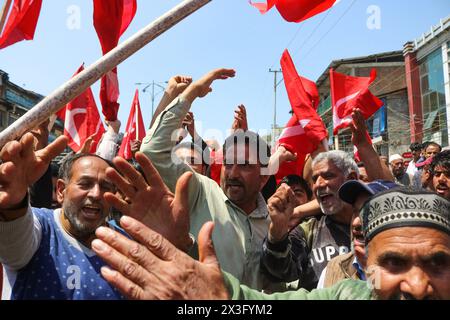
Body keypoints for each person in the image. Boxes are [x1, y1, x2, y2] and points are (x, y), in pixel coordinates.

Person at [92, 180, 450, 300]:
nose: (417, 286)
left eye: (438, 263)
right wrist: (221, 295)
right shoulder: (350, 293)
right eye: (394, 263)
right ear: (365, 262)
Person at [140, 68, 287, 291]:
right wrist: (190, 94)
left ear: (264, 177)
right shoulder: (200, 191)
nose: (233, 173)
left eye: (245, 165)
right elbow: (152, 151)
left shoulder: (273, 222)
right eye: (228, 163)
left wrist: (278, 237)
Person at [0, 133, 130, 300]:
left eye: (105, 186)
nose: (96, 194)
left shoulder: (126, 245)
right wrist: (13, 204)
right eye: (85, 184)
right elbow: (14, 248)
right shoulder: (39, 226)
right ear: (61, 190)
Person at [317, 179, 398, 288]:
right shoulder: (333, 269)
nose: (356, 222)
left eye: (369, 213)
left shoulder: (408, 276)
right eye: (355, 211)